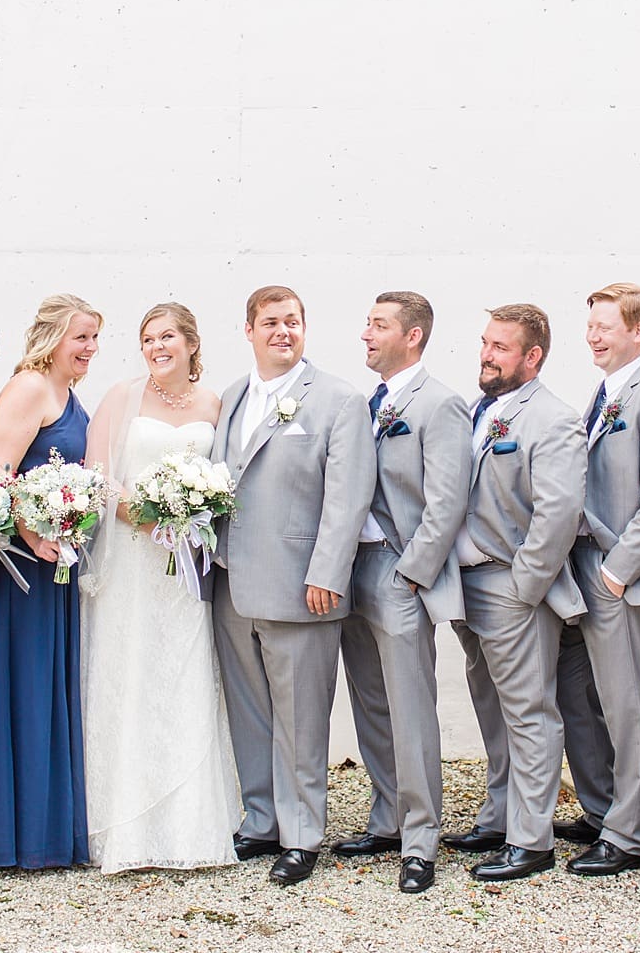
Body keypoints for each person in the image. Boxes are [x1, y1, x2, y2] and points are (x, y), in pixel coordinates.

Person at [209, 285, 376, 886]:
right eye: (271, 322)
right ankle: (261, 820)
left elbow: (348, 494)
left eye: (293, 322)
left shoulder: (337, 400)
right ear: (248, 329)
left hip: (302, 585)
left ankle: (302, 835)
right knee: (250, 710)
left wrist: (327, 573)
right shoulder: (230, 397)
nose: (283, 331)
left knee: (302, 717)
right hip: (230, 582)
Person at [77, 302, 240, 873]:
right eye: (147, 338)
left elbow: (227, 478)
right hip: (133, 560)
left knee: (184, 674)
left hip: (187, 568)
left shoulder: (215, 404)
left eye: (167, 336)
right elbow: (96, 476)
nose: (156, 347)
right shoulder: (121, 397)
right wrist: (150, 520)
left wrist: (194, 515)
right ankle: (127, 825)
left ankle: (189, 826)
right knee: (131, 671)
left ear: (191, 342)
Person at [331, 291, 470, 895]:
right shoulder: (367, 403)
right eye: (367, 323)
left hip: (397, 570)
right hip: (351, 568)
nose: (366, 333)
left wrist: (412, 574)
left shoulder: (439, 404)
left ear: (412, 336)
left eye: (378, 325)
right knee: (370, 703)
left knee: (410, 707)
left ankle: (420, 840)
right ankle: (386, 819)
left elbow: (447, 502)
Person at [441, 304, 586, 882]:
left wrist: (526, 585)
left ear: (532, 356)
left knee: (530, 712)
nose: (486, 354)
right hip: (466, 585)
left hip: (511, 586)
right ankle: (501, 814)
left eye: (501, 347)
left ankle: (533, 840)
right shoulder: (483, 410)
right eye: (485, 342)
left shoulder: (551, 417)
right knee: (492, 707)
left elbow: (558, 511)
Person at [557, 283, 640, 877]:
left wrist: (616, 572)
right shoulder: (607, 391)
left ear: (638, 330)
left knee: (629, 706)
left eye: (605, 327)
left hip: (621, 579)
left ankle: (629, 834)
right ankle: (601, 807)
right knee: (581, 697)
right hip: (585, 572)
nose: (593, 336)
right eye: (591, 326)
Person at [0, 293, 101, 871]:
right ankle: (21, 831)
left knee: (50, 686)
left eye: (95, 338)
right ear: (53, 336)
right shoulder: (29, 387)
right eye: (82, 337)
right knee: (26, 687)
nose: (90, 349)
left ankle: (49, 825)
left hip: (58, 560)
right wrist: (31, 533)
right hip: (24, 568)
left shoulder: (67, 392)